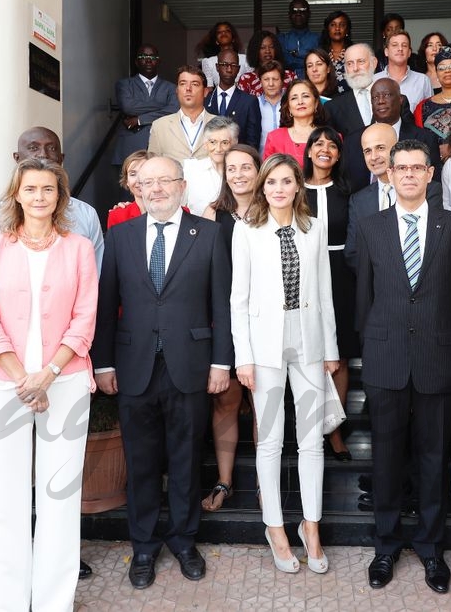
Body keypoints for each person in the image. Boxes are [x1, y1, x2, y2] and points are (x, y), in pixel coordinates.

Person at [0, 126, 101, 600]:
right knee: (4, 502)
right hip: (4, 384)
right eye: (30, 189)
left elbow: (85, 319)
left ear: (60, 195)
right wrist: (25, 379)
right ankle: (8, 602)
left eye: (48, 188)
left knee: (59, 497)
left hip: (64, 381)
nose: (39, 196)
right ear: (16, 195)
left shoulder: (79, 248)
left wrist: (49, 374)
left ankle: (52, 602)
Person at [92, 156, 232, 590]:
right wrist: (104, 362)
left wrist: (220, 362)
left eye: (164, 181)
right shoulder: (119, 236)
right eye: (146, 182)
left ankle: (185, 541)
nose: (154, 189)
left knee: (188, 459)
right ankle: (145, 547)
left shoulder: (208, 235)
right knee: (141, 463)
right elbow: (105, 305)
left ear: (182, 186)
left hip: (190, 366)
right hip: (134, 368)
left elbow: (222, 306)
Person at [355, 139, 451, 595]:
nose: (407, 175)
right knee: (385, 458)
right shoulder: (370, 228)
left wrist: (449, 350)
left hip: (436, 360)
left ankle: (431, 548)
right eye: (398, 167)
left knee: (432, 459)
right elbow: (365, 299)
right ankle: (385, 545)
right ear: (389, 175)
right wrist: (373, 345)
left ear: (430, 175)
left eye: (415, 168)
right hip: (386, 360)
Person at [231, 154, 339, 575]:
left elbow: (326, 291)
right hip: (265, 346)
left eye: (286, 181)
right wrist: (244, 357)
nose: (279, 188)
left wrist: (330, 347)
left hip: (308, 339)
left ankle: (310, 527)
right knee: (270, 441)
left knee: (311, 440)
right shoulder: (247, 231)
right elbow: (238, 301)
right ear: (263, 187)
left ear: (298, 187)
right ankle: (274, 527)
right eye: (271, 181)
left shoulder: (313, 229)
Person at [199, 144, 262, 512]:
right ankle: (225, 481)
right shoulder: (213, 212)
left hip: (261, 317)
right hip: (223, 316)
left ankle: (263, 483)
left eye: (245, 167)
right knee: (226, 402)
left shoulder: (271, 208)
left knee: (263, 405)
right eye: (231, 168)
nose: (238, 174)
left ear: (258, 170)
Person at [302, 127, 357, 461]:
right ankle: (310, 428)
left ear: (338, 154)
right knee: (310, 351)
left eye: (331, 145)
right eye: (317, 144)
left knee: (341, 355)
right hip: (305, 274)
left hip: (340, 272)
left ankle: (335, 431)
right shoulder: (293, 190)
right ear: (308, 151)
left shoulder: (348, 191)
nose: (324, 149)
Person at [344, 123, 442, 271]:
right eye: (367, 151)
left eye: (380, 148)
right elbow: (352, 253)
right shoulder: (358, 200)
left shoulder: (429, 190)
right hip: (376, 289)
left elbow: (432, 244)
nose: (374, 157)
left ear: (396, 149)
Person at [114, 44, 179, 170]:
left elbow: (173, 110)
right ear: (136, 62)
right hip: (131, 146)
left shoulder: (171, 87)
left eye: (152, 56)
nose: (148, 60)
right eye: (143, 56)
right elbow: (128, 107)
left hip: (162, 146)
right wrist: (162, 105)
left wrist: (139, 119)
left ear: (158, 61)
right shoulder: (124, 84)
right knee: (130, 188)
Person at [325, 43, 379, 188]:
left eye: (361, 61)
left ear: (373, 63)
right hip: (351, 186)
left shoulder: (392, 99)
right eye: (350, 63)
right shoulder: (333, 107)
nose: (355, 68)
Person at [370, 77, 442, 182]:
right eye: (375, 97)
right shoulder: (354, 141)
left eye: (387, 95)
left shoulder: (425, 139)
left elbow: (433, 184)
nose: (381, 101)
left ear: (400, 99)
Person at [414, 45, 451, 162]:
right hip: (433, 169)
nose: (447, 70)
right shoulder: (423, 106)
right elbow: (418, 142)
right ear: (436, 72)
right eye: (441, 68)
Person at [148, 66, 214, 162]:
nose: (188, 88)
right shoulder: (159, 126)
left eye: (195, 84)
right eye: (182, 84)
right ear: (177, 90)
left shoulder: (221, 125)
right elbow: (152, 166)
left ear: (205, 92)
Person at [202, 47, 261, 150]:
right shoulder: (206, 100)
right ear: (217, 67)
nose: (229, 69)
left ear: (238, 69)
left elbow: (252, 142)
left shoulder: (249, 101)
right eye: (224, 65)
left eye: (233, 65)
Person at [262, 80, 329, 164]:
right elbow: (268, 173)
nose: (300, 102)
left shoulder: (331, 136)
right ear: (288, 107)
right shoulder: (274, 138)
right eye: (294, 98)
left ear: (316, 103)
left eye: (305, 96)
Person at [183, 117, 237, 214]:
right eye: (213, 142)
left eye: (225, 143)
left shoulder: (242, 173)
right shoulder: (191, 170)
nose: (218, 149)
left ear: (234, 143)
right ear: (205, 144)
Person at [375, 30, 432, 111]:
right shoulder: (374, 81)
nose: (400, 49)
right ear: (386, 52)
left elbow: (429, 114)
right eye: (395, 45)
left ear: (409, 52)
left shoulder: (422, 80)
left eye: (404, 45)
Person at [237, 30, 296, 96]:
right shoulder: (246, 79)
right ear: (255, 51)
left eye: (271, 47)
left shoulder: (289, 76)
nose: (267, 51)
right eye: (262, 47)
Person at [197, 21, 250, 91]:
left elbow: (251, 84)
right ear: (216, 41)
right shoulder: (208, 62)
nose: (223, 33)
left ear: (233, 38)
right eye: (219, 32)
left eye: (227, 31)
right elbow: (209, 89)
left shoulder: (245, 59)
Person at [107, 150, 151, 228]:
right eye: (133, 174)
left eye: (145, 173)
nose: (139, 180)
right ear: (127, 181)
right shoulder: (117, 215)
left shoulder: (176, 212)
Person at [278, 0, 320, 73]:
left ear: (309, 14)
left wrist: (295, 54)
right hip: (288, 83)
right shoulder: (282, 39)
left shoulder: (318, 39)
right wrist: (307, 55)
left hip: (312, 83)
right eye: (294, 11)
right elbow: (285, 62)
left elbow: (319, 63)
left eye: (302, 10)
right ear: (289, 15)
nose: (298, 14)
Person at [255, 61, 288, 156]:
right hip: (261, 162)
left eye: (275, 79)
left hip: (288, 160)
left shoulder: (290, 104)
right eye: (266, 79)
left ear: (282, 81)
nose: (271, 84)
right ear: (260, 81)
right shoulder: (254, 105)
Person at [319, 10, 353, 93]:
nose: (337, 28)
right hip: (325, 101)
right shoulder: (320, 54)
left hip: (349, 100)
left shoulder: (353, 53)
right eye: (333, 25)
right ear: (327, 29)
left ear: (347, 30)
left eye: (342, 25)